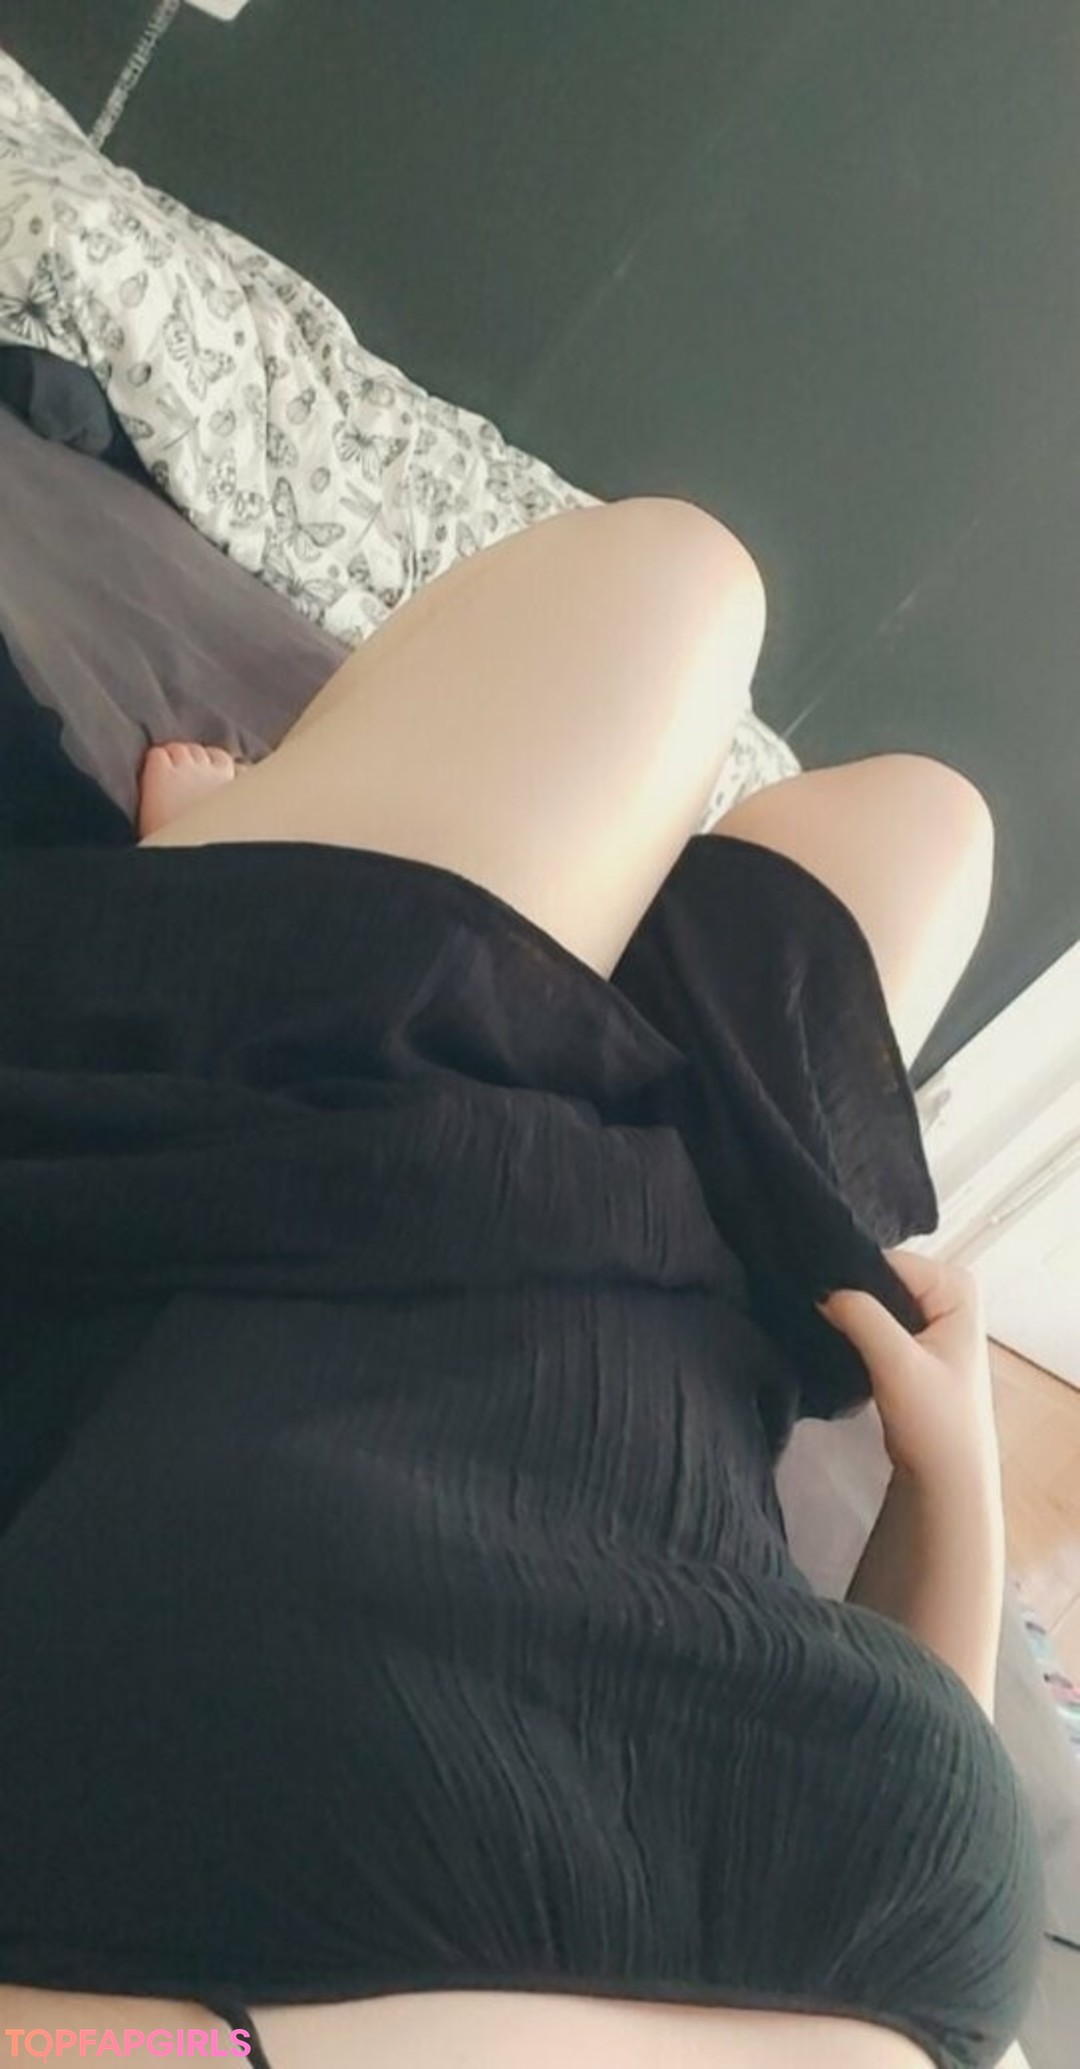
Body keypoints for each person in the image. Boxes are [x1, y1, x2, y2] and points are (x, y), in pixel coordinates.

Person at [0, 497, 1042, 2069]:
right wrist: (952, 1488)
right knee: (929, 829)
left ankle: (254, 865)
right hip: (695, 1307)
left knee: (682, 586)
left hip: (330, 1177)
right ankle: (555, 947)